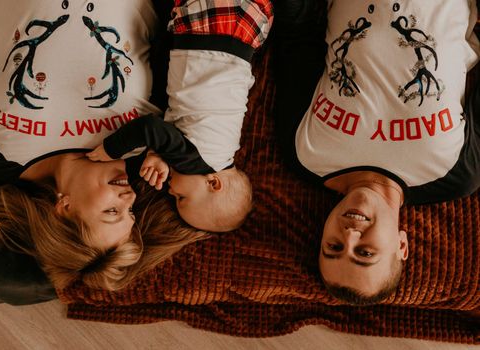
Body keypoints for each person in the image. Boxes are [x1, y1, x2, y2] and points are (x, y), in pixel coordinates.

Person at [0, 0, 206, 299]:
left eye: (112, 211)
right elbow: (171, 53)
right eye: (131, 212)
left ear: (64, 209)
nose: (130, 197)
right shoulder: (142, 147)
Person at [274, 0, 480, 305]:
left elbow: (297, 37)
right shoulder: (457, 175)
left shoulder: (304, 155)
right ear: (401, 246)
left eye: (332, 247)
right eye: (365, 253)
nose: (350, 235)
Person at [86, 0, 274, 232]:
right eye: (182, 198)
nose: (171, 191)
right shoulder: (195, 161)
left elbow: (178, 128)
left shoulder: (221, 152)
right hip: (210, 28)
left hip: (243, 32)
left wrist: (160, 154)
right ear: (213, 183)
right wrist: (111, 149)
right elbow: (150, 128)